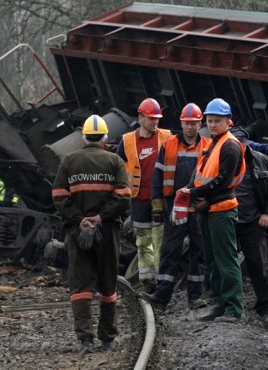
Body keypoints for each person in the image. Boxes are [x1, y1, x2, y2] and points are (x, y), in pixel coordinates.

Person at [52, 115, 131, 351]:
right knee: (108, 284)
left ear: (83, 138)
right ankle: (107, 336)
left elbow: (58, 196)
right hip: (107, 231)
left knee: (80, 285)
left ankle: (85, 337)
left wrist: (80, 221)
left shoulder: (69, 160)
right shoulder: (114, 161)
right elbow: (124, 196)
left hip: (77, 232)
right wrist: (99, 218)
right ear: (106, 137)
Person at [179, 98, 246, 323]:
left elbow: (222, 180)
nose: (213, 124)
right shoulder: (213, 144)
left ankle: (233, 309)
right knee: (213, 261)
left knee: (226, 259)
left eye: (217, 120)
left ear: (228, 121)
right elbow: (200, 176)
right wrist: (189, 189)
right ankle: (220, 304)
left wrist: (193, 194)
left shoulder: (230, 145)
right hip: (208, 210)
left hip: (221, 210)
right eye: (210, 121)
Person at [140, 103, 210, 310]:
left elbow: (212, 178)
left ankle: (195, 297)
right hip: (173, 207)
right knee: (170, 250)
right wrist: (157, 204)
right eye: (187, 123)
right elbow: (157, 177)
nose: (190, 127)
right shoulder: (169, 144)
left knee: (199, 251)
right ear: (181, 123)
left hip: (197, 207)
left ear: (200, 124)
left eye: (194, 124)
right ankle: (162, 297)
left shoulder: (207, 146)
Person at [117, 98, 171, 294]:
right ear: (140, 118)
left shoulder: (167, 137)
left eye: (157, 119)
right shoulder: (127, 141)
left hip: (160, 199)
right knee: (143, 240)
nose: (155, 122)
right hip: (138, 199)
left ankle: (159, 281)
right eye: (151, 118)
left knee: (159, 240)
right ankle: (147, 279)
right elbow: (118, 167)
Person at [234, 145, 268, 326]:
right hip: (225, 221)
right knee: (222, 264)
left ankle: (265, 309)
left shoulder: (259, 159)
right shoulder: (214, 158)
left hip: (252, 222)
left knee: (260, 265)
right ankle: (229, 307)